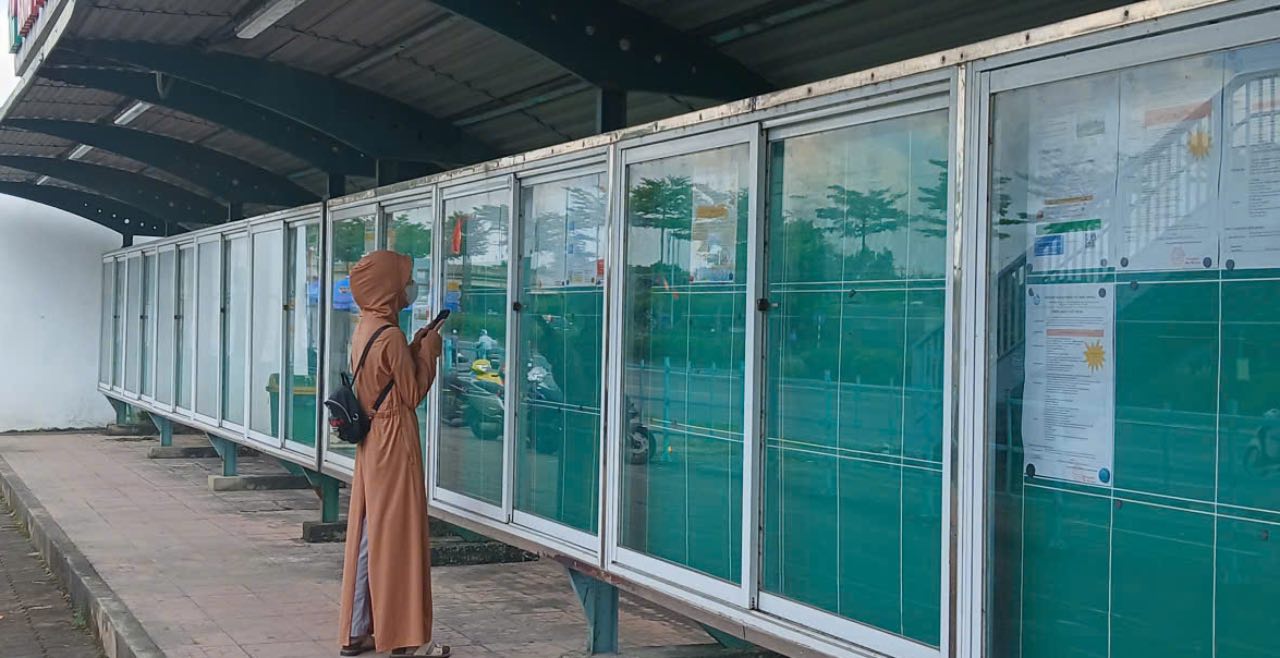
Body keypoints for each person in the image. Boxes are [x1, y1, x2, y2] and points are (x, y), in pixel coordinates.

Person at [337, 251, 448, 657]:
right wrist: (431, 350)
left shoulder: (366, 327)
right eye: (405, 279)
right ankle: (401, 636)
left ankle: (359, 628)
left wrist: (416, 345)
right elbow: (412, 392)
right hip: (394, 439)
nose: (409, 287)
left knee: (370, 531)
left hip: (371, 442)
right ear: (388, 286)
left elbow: (385, 377)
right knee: (398, 536)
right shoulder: (390, 336)